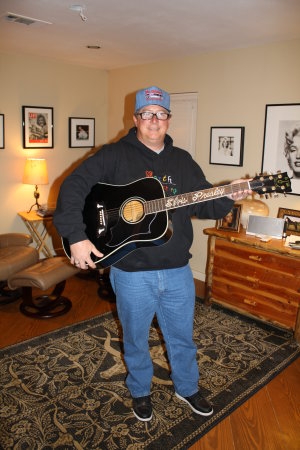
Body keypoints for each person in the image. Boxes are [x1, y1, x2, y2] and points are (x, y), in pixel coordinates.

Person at [53, 86, 251, 422]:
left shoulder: (183, 161)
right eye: (147, 114)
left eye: (161, 114)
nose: (154, 121)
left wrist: (233, 193)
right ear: (135, 119)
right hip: (131, 271)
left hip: (176, 270)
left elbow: (206, 201)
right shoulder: (114, 155)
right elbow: (73, 187)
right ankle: (140, 390)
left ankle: (187, 387)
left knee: (182, 338)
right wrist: (76, 236)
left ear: (169, 120)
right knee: (134, 338)